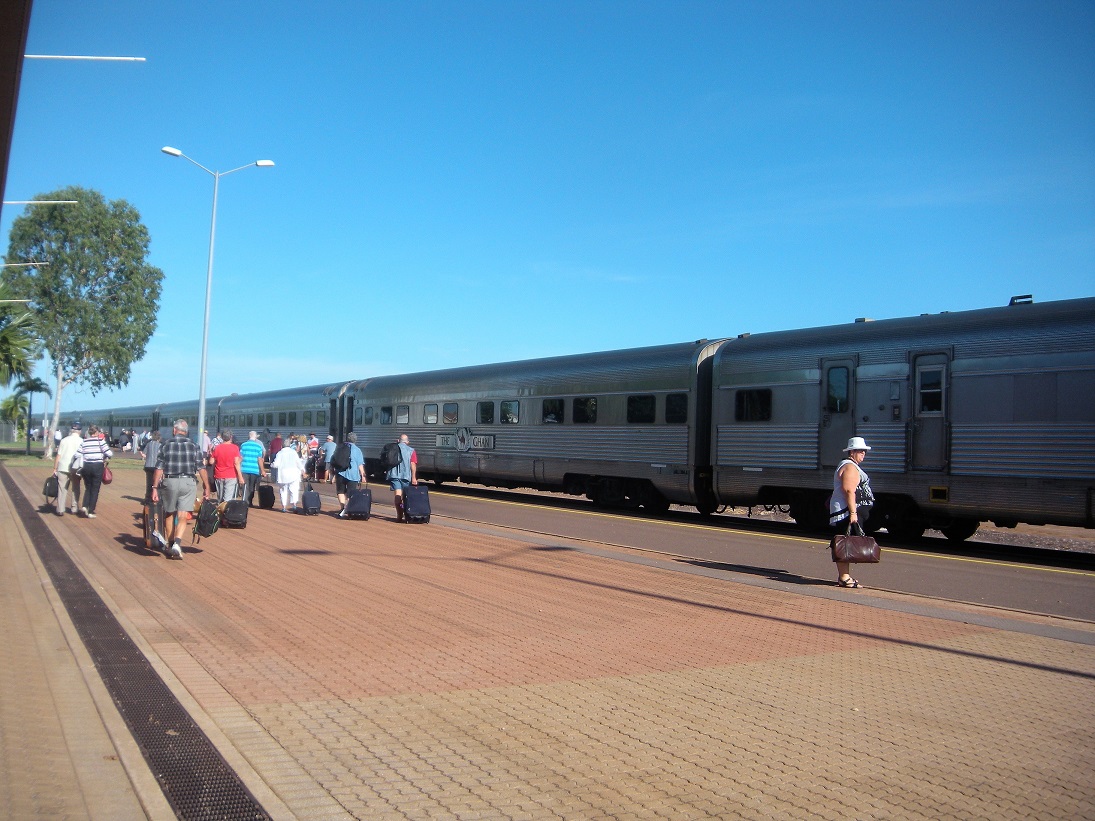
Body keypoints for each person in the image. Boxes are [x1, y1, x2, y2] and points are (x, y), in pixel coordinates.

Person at [151, 419, 211, 560]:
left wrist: (154, 487)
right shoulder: (194, 446)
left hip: (170, 481)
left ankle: (171, 543)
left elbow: (159, 468)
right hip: (188, 482)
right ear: (186, 432)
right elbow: (201, 467)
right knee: (183, 515)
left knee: (169, 514)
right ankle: (177, 544)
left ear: (174, 430)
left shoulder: (165, 445)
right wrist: (207, 486)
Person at [828, 436, 876, 588]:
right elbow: (849, 490)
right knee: (845, 543)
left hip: (849, 511)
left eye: (864, 451)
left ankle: (844, 576)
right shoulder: (849, 466)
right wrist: (853, 513)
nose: (863, 454)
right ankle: (844, 577)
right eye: (860, 451)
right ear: (852, 452)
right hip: (846, 512)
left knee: (847, 543)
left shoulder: (852, 465)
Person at [76, 424, 113, 518]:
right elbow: (109, 453)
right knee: (95, 489)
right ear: (97, 432)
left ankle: (85, 505)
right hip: (97, 466)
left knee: (88, 487)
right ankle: (91, 511)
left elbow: (77, 454)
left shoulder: (84, 442)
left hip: (86, 466)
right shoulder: (101, 441)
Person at [52, 423, 84, 516]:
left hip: (63, 467)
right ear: (80, 431)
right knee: (76, 488)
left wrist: (55, 468)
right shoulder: (82, 441)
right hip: (76, 468)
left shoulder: (64, 440)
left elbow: (59, 455)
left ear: (71, 430)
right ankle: (74, 508)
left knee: (62, 489)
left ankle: (60, 509)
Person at [386, 433, 418, 522]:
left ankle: (399, 516)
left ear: (398, 440)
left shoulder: (393, 448)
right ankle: (405, 512)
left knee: (398, 496)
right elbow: (413, 464)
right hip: (406, 477)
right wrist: (414, 477)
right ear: (407, 442)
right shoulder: (411, 451)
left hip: (394, 475)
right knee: (405, 497)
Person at [334, 432, 367, 518]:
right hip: (353, 474)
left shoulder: (340, 447)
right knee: (351, 493)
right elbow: (360, 464)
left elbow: (334, 459)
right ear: (355, 440)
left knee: (340, 491)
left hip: (340, 472)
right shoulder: (357, 450)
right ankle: (347, 508)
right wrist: (363, 476)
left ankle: (342, 508)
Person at [210, 429, 244, 503]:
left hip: (219, 474)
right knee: (227, 499)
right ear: (231, 437)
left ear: (222, 437)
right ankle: (226, 509)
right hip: (231, 475)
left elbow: (211, 461)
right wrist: (240, 476)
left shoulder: (217, 447)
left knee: (220, 497)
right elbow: (236, 463)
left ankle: (220, 508)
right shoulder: (235, 448)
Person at [272, 440, 306, 512]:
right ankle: (294, 505)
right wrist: (303, 471)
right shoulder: (293, 452)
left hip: (283, 474)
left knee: (283, 490)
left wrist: (272, 464)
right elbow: (298, 463)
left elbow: (276, 464)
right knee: (294, 490)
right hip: (293, 473)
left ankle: (284, 506)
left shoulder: (280, 453)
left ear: (282, 445)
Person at [239, 430, 268, 506]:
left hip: (244, 469)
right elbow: (259, 459)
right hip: (254, 469)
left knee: (245, 486)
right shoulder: (258, 446)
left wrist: (238, 467)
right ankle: (250, 501)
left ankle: (244, 501)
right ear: (255, 438)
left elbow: (240, 457)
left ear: (248, 437)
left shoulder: (243, 445)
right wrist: (262, 470)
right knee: (252, 487)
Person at [142, 430, 162, 502]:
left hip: (148, 465)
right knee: (157, 482)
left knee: (149, 483)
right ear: (159, 438)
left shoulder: (148, 444)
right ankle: (156, 497)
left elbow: (143, 454)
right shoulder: (160, 445)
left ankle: (147, 499)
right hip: (156, 466)